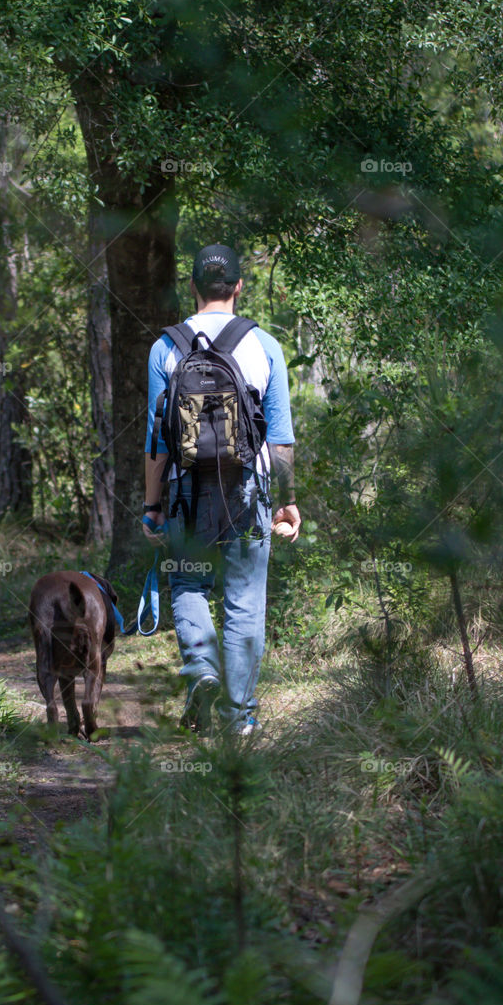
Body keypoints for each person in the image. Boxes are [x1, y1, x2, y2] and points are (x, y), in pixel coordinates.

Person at [142, 244, 300, 735]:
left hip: (187, 492)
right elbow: (281, 441)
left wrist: (152, 507)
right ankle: (239, 721)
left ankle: (203, 671)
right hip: (247, 491)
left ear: (192, 287)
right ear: (237, 287)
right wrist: (287, 501)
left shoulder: (165, 347)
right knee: (245, 602)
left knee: (188, 583)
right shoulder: (265, 346)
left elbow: (157, 442)